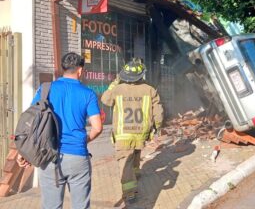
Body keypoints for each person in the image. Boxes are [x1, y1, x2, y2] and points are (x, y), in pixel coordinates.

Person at [17, 52, 103, 209]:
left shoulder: (45, 89)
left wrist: (23, 153)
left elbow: (31, 123)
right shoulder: (88, 94)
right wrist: (83, 141)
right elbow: (97, 128)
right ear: (80, 70)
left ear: (62, 69)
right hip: (78, 158)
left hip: (49, 157)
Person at [101, 57, 164, 206]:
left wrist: (115, 82)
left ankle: (129, 193)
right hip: (141, 132)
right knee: (136, 151)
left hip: (123, 134)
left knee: (125, 163)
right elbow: (158, 112)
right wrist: (157, 126)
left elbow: (105, 100)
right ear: (141, 75)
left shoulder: (118, 89)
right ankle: (136, 174)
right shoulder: (150, 89)